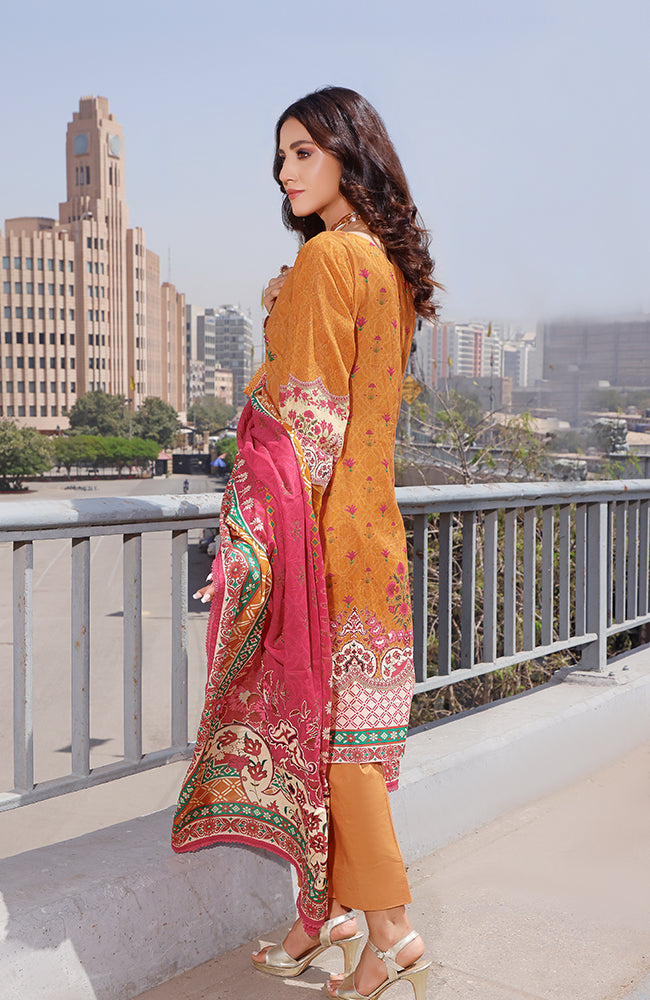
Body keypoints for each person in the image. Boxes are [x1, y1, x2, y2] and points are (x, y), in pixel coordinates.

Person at [171, 86, 438, 1000]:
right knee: (348, 742)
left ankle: (392, 933)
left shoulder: (329, 258)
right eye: (280, 157)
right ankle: (333, 923)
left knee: (338, 749)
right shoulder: (387, 267)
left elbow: (309, 423)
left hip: (325, 542)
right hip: (376, 534)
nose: (284, 173)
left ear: (349, 154)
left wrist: (253, 548)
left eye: (303, 153)